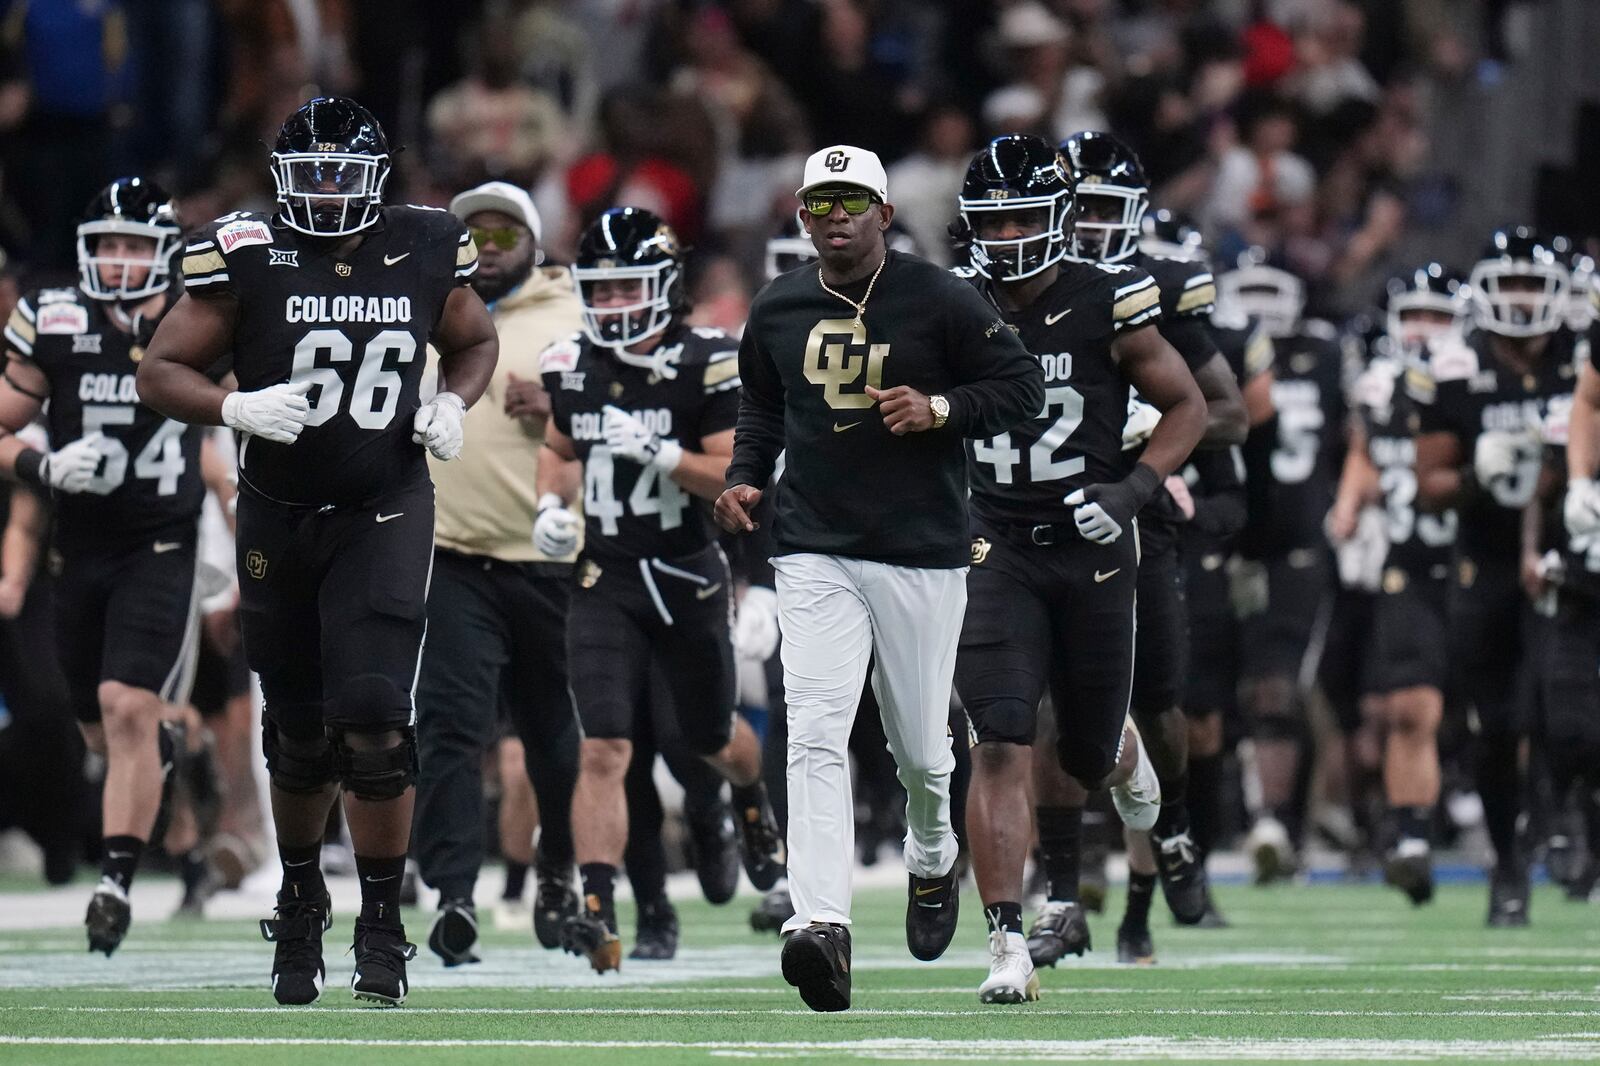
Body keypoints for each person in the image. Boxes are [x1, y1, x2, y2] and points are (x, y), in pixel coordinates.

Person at [137, 97, 500, 1006]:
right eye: (314, 175)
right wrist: (231, 406)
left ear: (378, 179)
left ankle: (381, 918)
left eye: (346, 174)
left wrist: (454, 400)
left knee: (375, 721)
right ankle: (301, 898)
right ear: (281, 179)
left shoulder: (427, 240)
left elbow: (475, 339)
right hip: (276, 509)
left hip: (383, 500)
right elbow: (158, 369)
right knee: (298, 734)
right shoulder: (245, 250)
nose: (330, 192)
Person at [717, 144, 1045, 1013]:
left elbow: (1021, 385)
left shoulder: (939, 295)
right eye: (818, 203)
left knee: (924, 755)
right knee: (815, 728)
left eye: (850, 201)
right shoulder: (779, 305)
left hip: (920, 548)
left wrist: (941, 409)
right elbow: (761, 403)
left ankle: (931, 851)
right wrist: (747, 474)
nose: (833, 217)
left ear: (886, 214)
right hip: (812, 546)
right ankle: (820, 923)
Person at [949, 134, 1205, 1001]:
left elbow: (1189, 406)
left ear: (1059, 217)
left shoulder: (1109, 299)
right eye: (996, 219)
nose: (1012, 233)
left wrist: (1132, 492)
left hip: (1094, 544)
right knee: (1000, 736)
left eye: (1026, 215)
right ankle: (1006, 942)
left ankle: (1131, 764)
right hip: (995, 544)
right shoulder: (953, 304)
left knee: (1089, 752)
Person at [535, 206, 784, 973]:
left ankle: (749, 804)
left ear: (661, 286)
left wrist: (660, 452)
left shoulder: (706, 359)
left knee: (712, 739)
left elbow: (738, 476)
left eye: (624, 291)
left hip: (685, 574)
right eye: (599, 292)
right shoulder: (571, 363)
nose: (609, 307)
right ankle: (600, 906)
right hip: (604, 579)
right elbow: (560, 445)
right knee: (605, 745)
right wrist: (549, 502)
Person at [1024, 132, 1242, 963]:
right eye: (1075, 211)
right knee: (1042, 712)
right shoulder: (1007, 279)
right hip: (1035, 512)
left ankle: (1175, 827)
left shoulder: (1163, 283)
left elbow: (1227, 413)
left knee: (1154, 702)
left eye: (1104, 213)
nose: (1085, 230)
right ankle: (1061, 893)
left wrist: (1151, 431)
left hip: (1135, 511)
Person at [0, 177, 196, 956]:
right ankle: (159, 761)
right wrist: (44, 468)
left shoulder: (201, 316)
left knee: (125, 705)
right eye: (107, 245)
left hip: (162, 539)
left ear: (164, 252)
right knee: (97, 728)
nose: (118, 261)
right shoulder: (53, 316)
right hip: (77, 544)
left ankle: (114, 881)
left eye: (134, 245)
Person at [412, 181, 583, 968]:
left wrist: (557, 405)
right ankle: (451, 893)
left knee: (553, 735)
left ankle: (554, 867)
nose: (485, 241)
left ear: (534, 238)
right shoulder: (426, 301)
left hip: (551, 554)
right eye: (472, 228)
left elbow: (634, 405)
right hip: (455, 552)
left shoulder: (578, 307)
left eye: (503, 228)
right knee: (451, 726)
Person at [1416, 227, 1580, 926]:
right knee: (1499, 723)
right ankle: (1509, 867)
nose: (1519, 299)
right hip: (1485, 560)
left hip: (1570, 561)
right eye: (1509, 283)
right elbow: (1431, 484)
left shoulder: (1581, 359)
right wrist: (1477, 478)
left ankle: (1564, 829)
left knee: (1560, 712)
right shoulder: (1454, 366)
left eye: (1532, 285)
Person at [1329, 264, 1466, 905]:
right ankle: (1411, 834)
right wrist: (1350, 502)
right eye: (1414, 314)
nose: (1423, 328)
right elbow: (1366, 447)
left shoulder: (1476, 375)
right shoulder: (1382, 382)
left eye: (1438, 315)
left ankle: (1539, 829)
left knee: (1509, 717)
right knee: (1406, 707)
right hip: (1408, 558)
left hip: (1478, 560)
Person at [1223, 251, 1347, 882]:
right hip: (1227, 539)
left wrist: (1351, 508)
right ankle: (1241, 818)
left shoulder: (1326, 355)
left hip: (1297, 541)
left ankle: (1276, 818)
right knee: (1218, 690)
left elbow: (1360, 438)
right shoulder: (1215, 344)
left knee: (1278, 685)